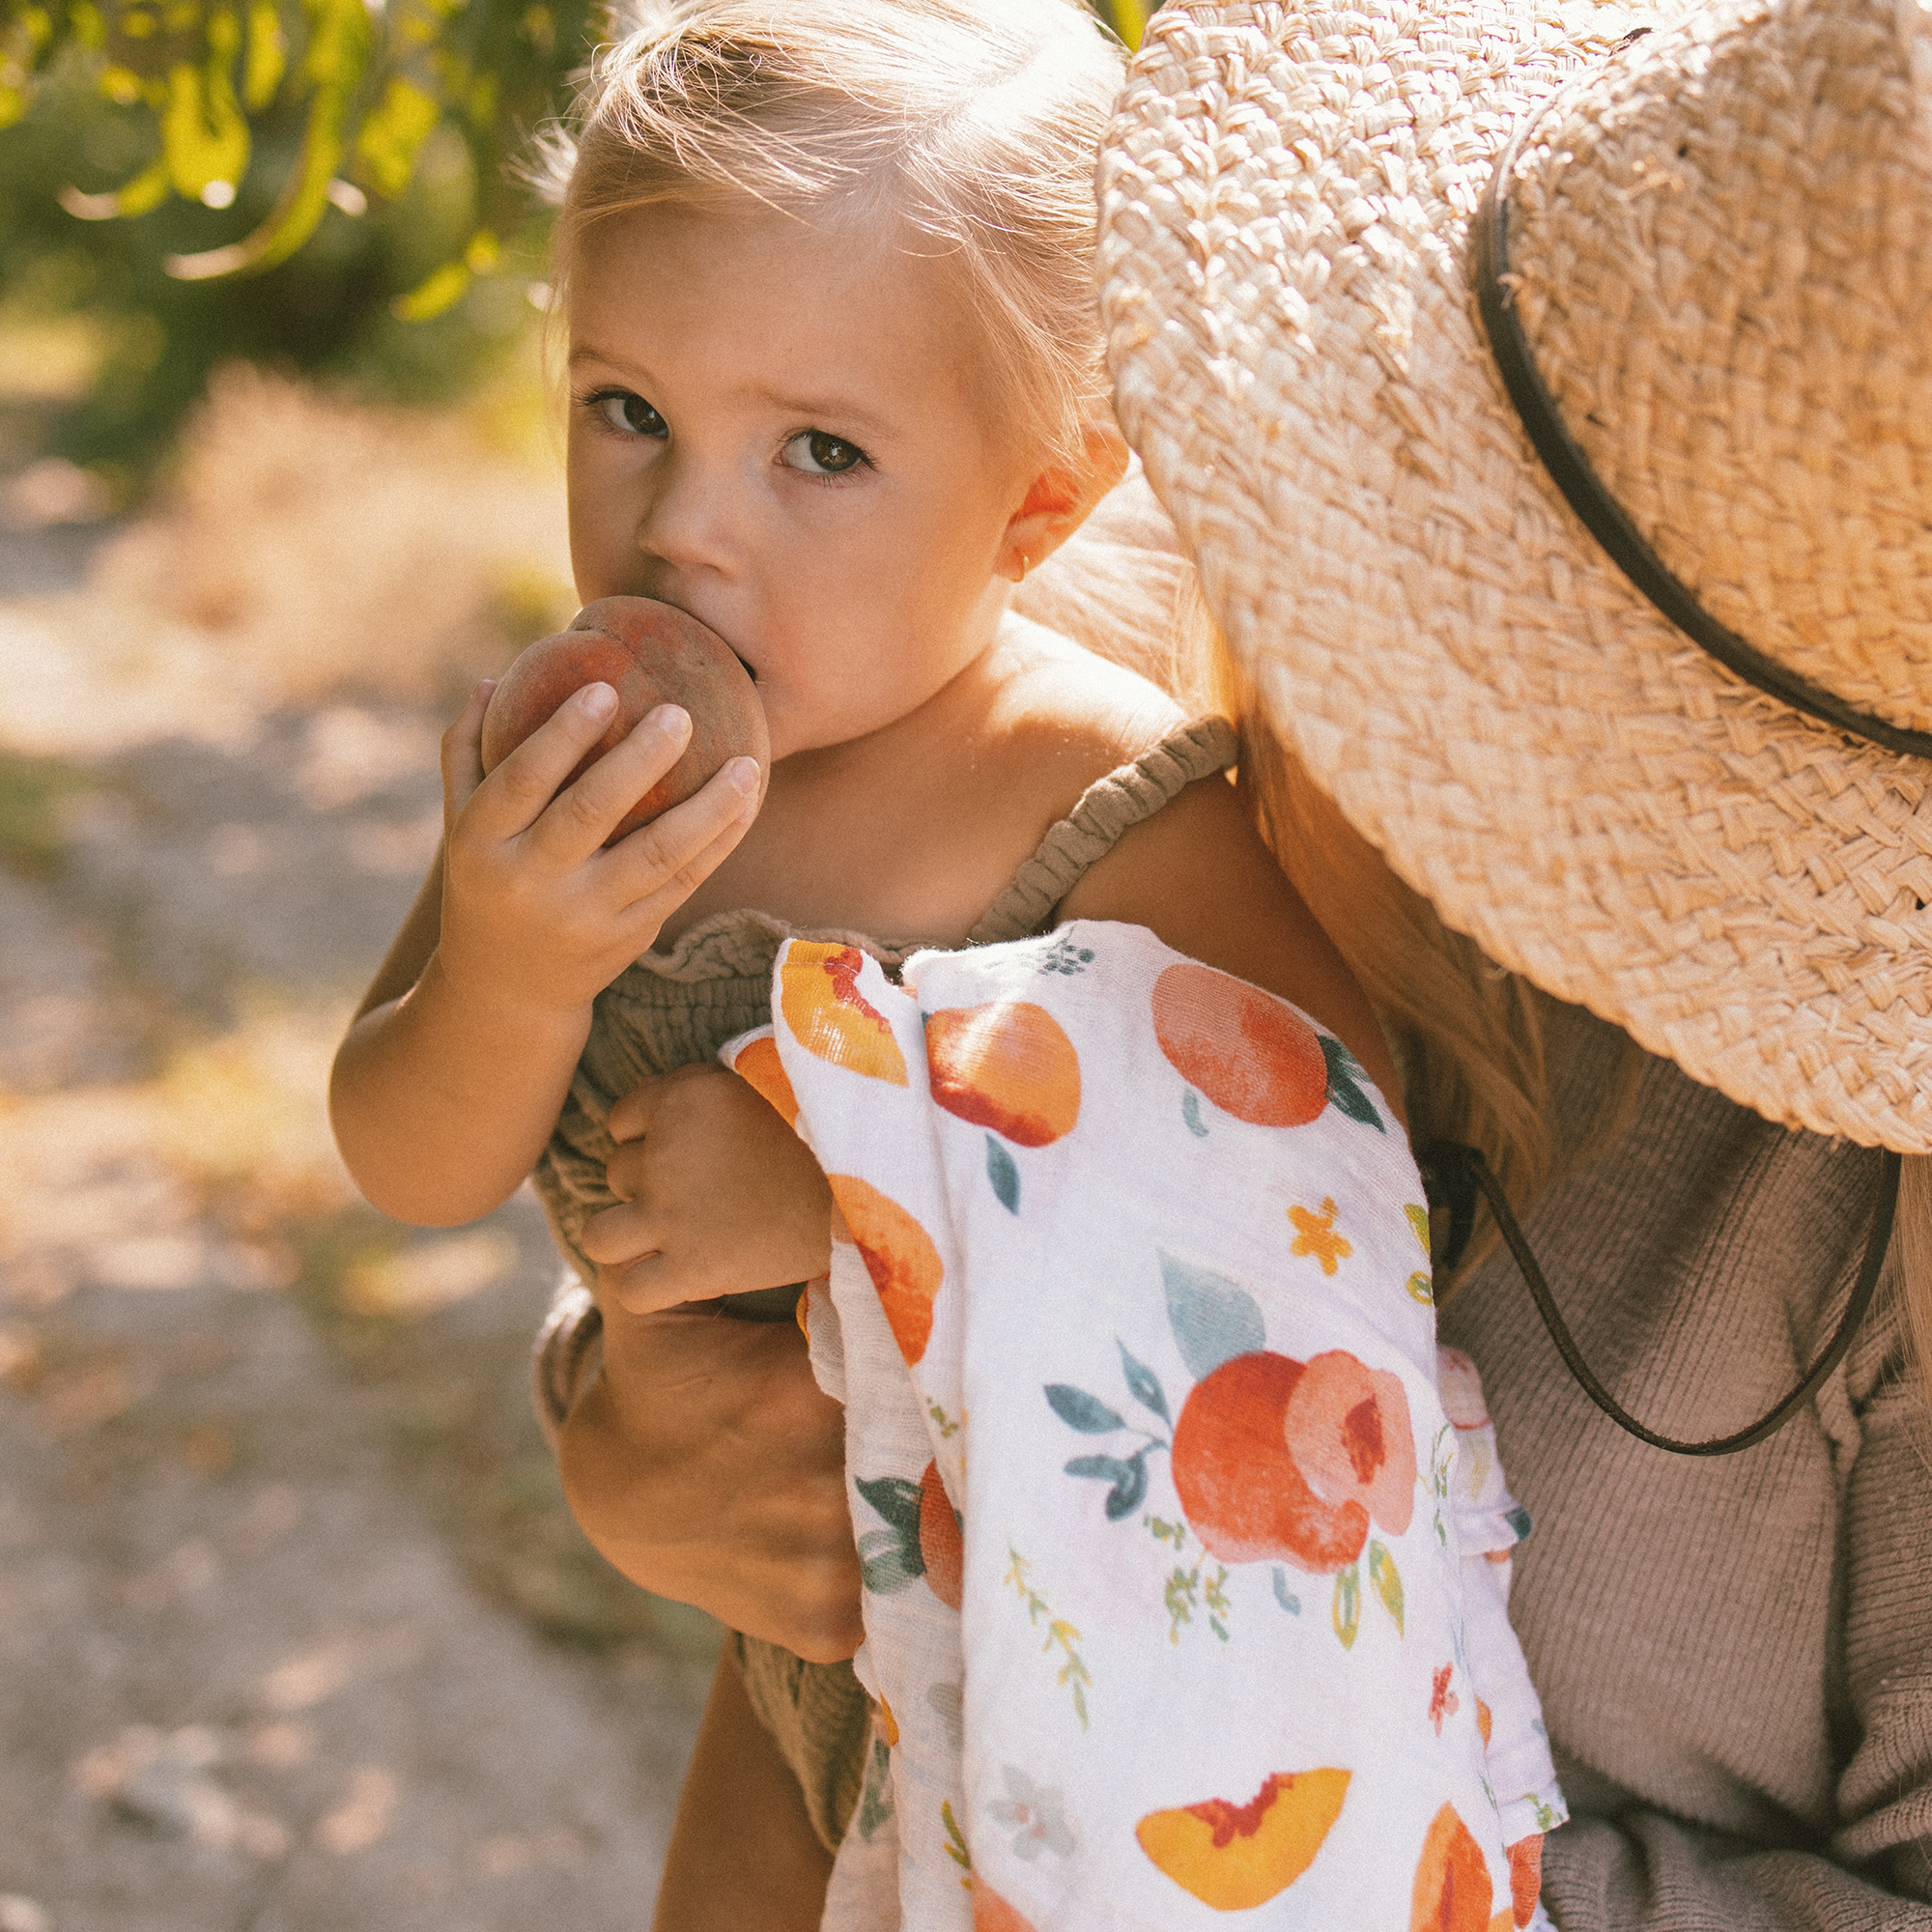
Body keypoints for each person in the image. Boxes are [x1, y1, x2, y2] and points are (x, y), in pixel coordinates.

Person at [546, 0, 1932, 1923]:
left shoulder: (1858, 1232)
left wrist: (1319, 1836)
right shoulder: (1198, 785)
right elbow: (839, 1282)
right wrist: (638, 1405)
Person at [328, 0, 1427, 1922]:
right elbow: (407, 1159)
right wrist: (506, 965)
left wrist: (861, 1178)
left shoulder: (1112, 806)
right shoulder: (582, 768)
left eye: (817, 451)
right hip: (790, 1695)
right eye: (625, 409)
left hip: (1089, 1727)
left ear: (1037, 500)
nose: (683, 530)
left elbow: (1314, 1186)